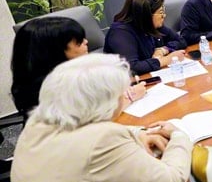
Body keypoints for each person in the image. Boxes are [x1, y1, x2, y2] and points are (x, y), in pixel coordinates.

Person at [11, 54, 193, 182]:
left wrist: (139, 132)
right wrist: (179, 137)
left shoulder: (37, 124)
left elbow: (87, 133)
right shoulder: (102, 140)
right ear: (106, 103)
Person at [12, 16, 146, 116]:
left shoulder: (75, 72)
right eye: (79, 41)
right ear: (55, 51)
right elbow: (92, 121)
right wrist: (130, 97)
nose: (86, 42)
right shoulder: (50, 92)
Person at [105, 0, 187, 74]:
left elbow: (181, 41)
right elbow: (132, 67)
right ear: (146, 15)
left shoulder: (151, 25)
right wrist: (166, 60)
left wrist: (163, 50)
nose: (164, 15)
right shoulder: (120, 33)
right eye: (160, 12)